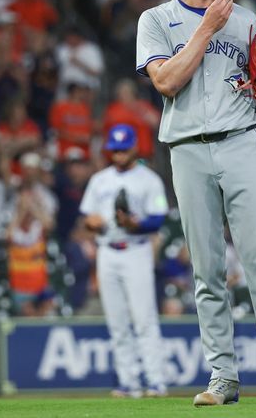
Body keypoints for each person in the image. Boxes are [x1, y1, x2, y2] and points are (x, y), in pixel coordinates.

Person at [135, 0, 256, 406]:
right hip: (187, 149)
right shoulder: (156, 20)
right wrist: (207, 28)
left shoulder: (246, 17)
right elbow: (165, 81)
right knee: (207, 272)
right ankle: (222, 378)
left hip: (240, 143)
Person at [79, 124, 169, 398]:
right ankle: (128, 381)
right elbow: (88, 217)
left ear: (133, 148)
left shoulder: (149, 179)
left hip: (136, 249)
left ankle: (155, 381)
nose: (118, 154)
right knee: (117, 322)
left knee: (144, 320)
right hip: (107, 251)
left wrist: (136, 224)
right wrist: (92, 222)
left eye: (123, 149)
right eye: (114, 150)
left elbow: (159, 216)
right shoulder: (100, 180)